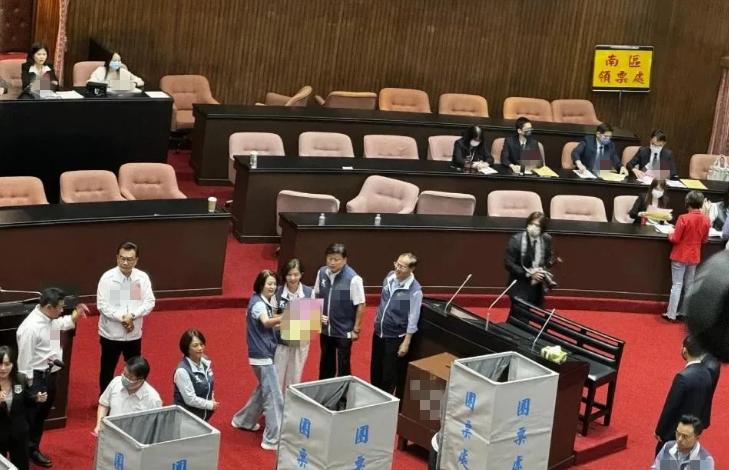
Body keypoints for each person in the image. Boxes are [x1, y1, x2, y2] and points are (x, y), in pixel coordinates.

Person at [16, 288, 89, 468]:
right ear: (49, 307)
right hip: (36, 379)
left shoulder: (51, 319)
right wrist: (29, 389)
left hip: (51, 375)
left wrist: (76, 314)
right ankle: (21, 454)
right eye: (60, 307)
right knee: (30, 418)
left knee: (41, 416)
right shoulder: (30, 328)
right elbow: (24, 362)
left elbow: (62, 324)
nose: (62, 310)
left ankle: (33, 448)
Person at [231, 269, 283, 451]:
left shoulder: (260, 301)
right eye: (269, 283)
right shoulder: (259, 305)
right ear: (261, 284)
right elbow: (267, 322)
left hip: (261, 354)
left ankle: (243, 420)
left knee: (262, 392)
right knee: (274, 397)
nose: (272, 287)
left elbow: (270, 325)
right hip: (262, 356)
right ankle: (272, 439)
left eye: (274, 284)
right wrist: (287, 316)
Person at [97, 242, 155, 396]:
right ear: (117, 257)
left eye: (129, 259)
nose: (125, 262)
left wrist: (132, 316)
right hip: (111, 334)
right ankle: (105, 400)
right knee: (107, 369)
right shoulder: (107, 278)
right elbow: (102, 305)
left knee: (135, 369)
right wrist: (122, 318)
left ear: (136, 260)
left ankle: (134, 397)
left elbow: (149, 302)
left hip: (133, 334)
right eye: (122, 258)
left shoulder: (142, 278)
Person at [370, 253, 422, 397]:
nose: (397, 268)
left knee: (389, 372)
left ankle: (385, 401)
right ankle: (373, 396)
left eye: (402, 267)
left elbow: (413, 317)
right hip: (379, 331)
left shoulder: (415, 291)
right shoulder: (389, 277)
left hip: (395, 336)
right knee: (376, 368)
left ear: (411, 269)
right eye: (397, 264)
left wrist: (406, 342)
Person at [314, 243, 366, 380]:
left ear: (344, 260)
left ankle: (343, 392)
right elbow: (316, 295)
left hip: (344, 330)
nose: (332, 262)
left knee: (343, 364)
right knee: (325, 361)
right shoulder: (322, 273)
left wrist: (356, 329)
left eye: (336, 259)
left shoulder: (353, 278)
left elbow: (361, 304)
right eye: (330, 258)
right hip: (326, 328)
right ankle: (324, 388)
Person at [654, 336, 712, 455]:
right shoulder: (707, 373)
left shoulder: (682, 378)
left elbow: (670, 408)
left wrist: (660, 431)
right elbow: (706, 403)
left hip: (674, 434)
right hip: (692, 434)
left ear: (684, 350)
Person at [664, 191, 710, 322]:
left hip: (680, 255)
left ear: (687, 203)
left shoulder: (683, 218)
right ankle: (684, 313)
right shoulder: (706, 219)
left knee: (677, 285)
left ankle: (671, 314)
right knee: (689, 285)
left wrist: (669, 233)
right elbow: (704, 240)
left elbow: (675, 238)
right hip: (694, 256)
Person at [0, 346, 47, 470]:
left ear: (13, 364)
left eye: (7, 364)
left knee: (21, 464)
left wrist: (36, 398)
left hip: (18, 431)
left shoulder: (20, 379)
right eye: (0, 364)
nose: (3, 368)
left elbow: (26, 399)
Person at [273, 259, 315, 391]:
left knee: (294, 378)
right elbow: (272, 317)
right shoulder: (277, 292)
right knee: (277, 377)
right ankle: (276, 403)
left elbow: (312, 321)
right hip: (280, 342)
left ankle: (290, 402)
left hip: (300, 342)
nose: (292, 278)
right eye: (289, 274)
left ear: (301, 274)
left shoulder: (309, 292)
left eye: (296, 274)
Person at [95, 356, 162, 435]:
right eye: (124, 373)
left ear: (141, 380)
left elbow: (154, 427)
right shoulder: (116, 382)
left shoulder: (153, 399)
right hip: (111, 435)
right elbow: (104, 404)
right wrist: (99, 424)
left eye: (130, 377)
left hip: (134, 439)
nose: (124, 378)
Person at [504, 212, 556, 308]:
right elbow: (508, 264)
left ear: (542, 228)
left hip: (537, 286)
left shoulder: (546, 239)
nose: (533, 227)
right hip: (520, 283)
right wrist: (529, 274)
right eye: (531, 224)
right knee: (520, 313)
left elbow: (548, 257)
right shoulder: (516, 240)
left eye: (537, 225)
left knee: (536, 313)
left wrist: (545, 272)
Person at [173, 329, 217, 421]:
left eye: (201, 344)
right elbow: (190, 399)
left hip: (202, 416)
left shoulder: (205, 361)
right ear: (187, 348)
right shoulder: (182, 371)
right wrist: (210, 405)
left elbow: (209, 382)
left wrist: (211, 397)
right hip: (186, 418)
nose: (200, 348)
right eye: (195, 345)